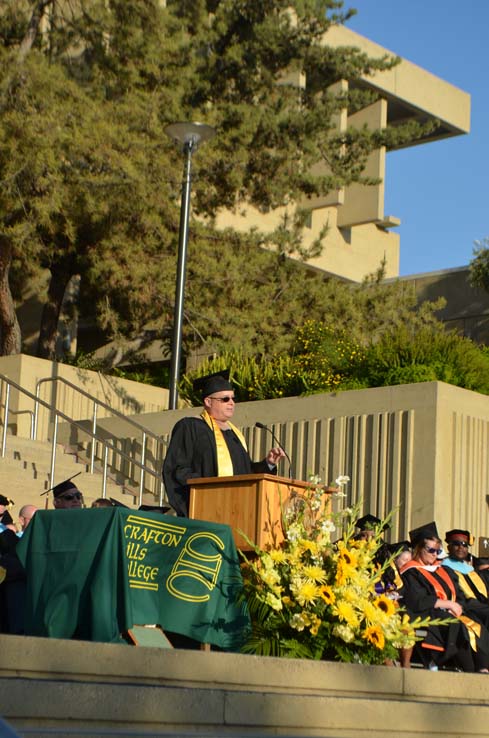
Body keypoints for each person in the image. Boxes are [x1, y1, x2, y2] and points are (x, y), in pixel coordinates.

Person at [163, 371, 286, 517]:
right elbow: (177, 469)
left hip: (237, 512)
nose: (232, 403)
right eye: (225, 399)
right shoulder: (190, 426)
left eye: (233, 399)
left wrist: (268, 464)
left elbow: (245, 475)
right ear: (208, 402)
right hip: (204, 510)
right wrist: (207, 489)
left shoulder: (235, 435)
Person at [400, 521, 489, 672]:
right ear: (419, 549)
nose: (435, 554)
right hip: (425, 611)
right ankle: (471, 670)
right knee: (458, 626)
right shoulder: (411, 572)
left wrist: (458, 606)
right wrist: (446, 604)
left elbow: (458, 595)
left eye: (437, 550)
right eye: (430, 550)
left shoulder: (443, 570)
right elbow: (417, 600)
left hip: (450, 610)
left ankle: (483, 668)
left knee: (478, 622)